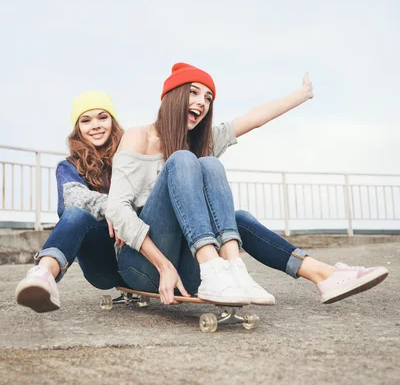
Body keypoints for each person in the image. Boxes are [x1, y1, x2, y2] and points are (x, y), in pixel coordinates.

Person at [104, 63, 388, 307]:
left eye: (208, 98)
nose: (202, 102)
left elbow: (252, 119)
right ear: (172, 96)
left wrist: (301, 95)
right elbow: (117, 209)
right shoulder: (138, 136)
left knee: (213, 169)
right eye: (193, 92)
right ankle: (216, 266)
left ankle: (321, 275)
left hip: (191, 269)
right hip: (144, 266)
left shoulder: (203, 142)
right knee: (182, 160)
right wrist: (163, 265)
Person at [16, 91, 126, 313]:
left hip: (139, 252)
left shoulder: (131, 156)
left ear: (113, 122)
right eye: (86, 120)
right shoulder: (68, 167)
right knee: (76, 213)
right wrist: (115, 207)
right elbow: (74, 199)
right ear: (78, 129)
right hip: (103, 263)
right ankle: (43, 275)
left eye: (102, 117)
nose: (95, 125)